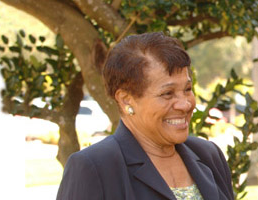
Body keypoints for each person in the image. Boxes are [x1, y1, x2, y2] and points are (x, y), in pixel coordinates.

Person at [56, 32, 234, 200]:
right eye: (167, 93)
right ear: (126, 100)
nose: (185, 104)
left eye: (187, 89)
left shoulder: (208, 155)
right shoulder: (94, 167)